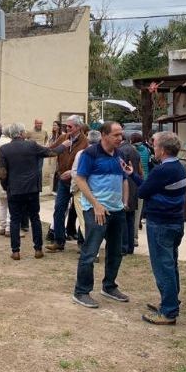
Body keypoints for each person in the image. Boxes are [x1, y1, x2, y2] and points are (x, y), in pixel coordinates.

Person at [130, 131, 186, 325]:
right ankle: (170, 301)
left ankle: (169, 311)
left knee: (163, 266)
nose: (153, 148)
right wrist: (133, 175)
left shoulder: (161, 171)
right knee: (171, 263)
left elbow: (144, 192)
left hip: (161, 223)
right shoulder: (179, 167)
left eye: (155, 146)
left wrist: (140, 183)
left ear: (162, 150)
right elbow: (150, 187)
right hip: (175, 222)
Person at [71, 121, 129, 309]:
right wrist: (96, 205)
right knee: (90, 252)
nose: (120, 138)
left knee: (115, 251)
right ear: (104, 135)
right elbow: (80, 179)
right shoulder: (91, 153)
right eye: (116, 135)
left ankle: (109, 286)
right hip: (96, 211)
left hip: (117, 210)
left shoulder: (119, 153)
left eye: (121, 134)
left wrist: (124, 203)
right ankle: (81, 291)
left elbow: (124, 179)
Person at [0, 122, 69, 260]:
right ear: (21, 133)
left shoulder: (5, 149)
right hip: (32, 188)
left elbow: (2, 171)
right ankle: (38, 249)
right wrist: (64, 145)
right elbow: (51, 152)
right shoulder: (31, 145)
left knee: (15, 220)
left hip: (14, 189)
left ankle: (16, 251)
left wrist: (6, 186)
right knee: (35, 218)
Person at [46, 115, 89, 253]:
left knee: (82, 212)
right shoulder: (63, 139)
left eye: (69, 126)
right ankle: (59, 241)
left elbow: (87, 163)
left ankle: (83, 244)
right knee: (59, 209)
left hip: (78, 182)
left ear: (78, 127)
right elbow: (50, 151)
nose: (66, 128)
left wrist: (73, 172)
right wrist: (60, 147)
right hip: (63, 181)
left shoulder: (86, 143)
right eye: (66, 126)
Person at [70, 130, 102, 247]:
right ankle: (95, 246)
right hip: (99, 191)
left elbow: (75, 173)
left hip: (83, 190)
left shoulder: (82, 153)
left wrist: (73, 188)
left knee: (84, 221)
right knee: (98, 219)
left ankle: (93, 249)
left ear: (88, 140)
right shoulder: (105, 154)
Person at [119, 133, 144, 255]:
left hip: (125, 186)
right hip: (134, 185)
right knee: (131, 218)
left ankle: (123, 247)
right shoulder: (135, 151)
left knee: (123, 218)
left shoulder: (120, 151)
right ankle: (130, 247)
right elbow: (140, 170)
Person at [0, 125, 13, 236]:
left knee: (2, 204)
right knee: (11, 204)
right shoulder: (11, 143)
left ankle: (2, 226)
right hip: (9, 178)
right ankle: (9, 228)